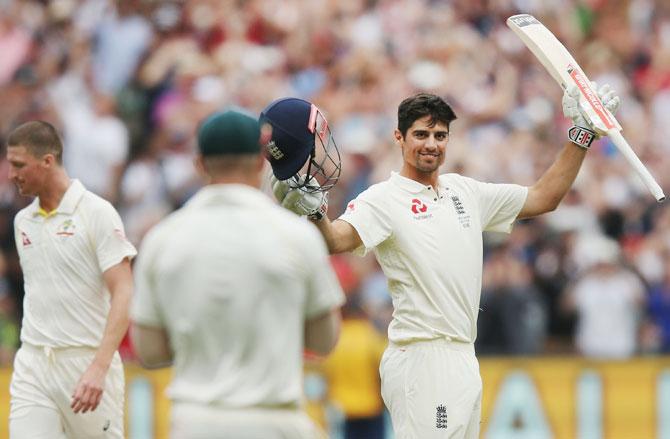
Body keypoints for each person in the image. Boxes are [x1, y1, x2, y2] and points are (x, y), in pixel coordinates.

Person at [269, 84, 621, 438]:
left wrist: (582, 134)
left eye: (440, 135)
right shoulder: (383, 199)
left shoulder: (465, 192)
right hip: (423, 357)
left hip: (463, 356)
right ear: (400, 138)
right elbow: (335, 239)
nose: (431, 144)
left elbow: (544, 198)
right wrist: (314, 213)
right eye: (421, 134)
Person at [130, 108, 345, 438]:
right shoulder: (296, 236)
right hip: (274, 421)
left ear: (199, 164)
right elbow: (323, 340)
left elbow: (151, 351)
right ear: (261, 161)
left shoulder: (161, 239)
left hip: (195, 422)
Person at [6, 120, 136, 438]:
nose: (11, 174)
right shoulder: (23, 221)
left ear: (47, 161)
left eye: (19, 165)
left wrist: (99, 366)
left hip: (87, 363)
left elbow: (123, 291)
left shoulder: (97, 213)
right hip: (34, 363)